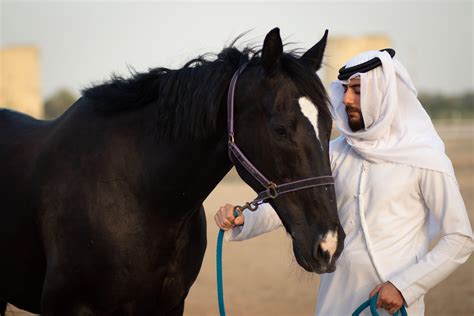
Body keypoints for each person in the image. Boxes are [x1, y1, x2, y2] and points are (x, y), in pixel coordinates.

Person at [214, 49, 473, 315]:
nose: (347, 99)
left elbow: (460, 238)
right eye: (346, 89)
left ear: (383, 94)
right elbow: (300, 200)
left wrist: (405, 287)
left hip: (390, 307)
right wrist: (246, 220)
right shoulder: (336, 152)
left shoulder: (424, 158)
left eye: (358, 90)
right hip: (335, 302)